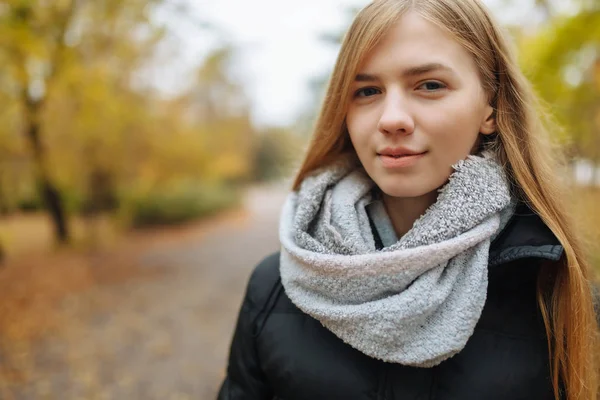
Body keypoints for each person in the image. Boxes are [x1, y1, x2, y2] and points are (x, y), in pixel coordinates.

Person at [217, 0, 600, 399]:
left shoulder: (556, 289)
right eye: (367, 91)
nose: (391, 118)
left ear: (492, 106)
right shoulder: (275, 285)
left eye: (430, 85)